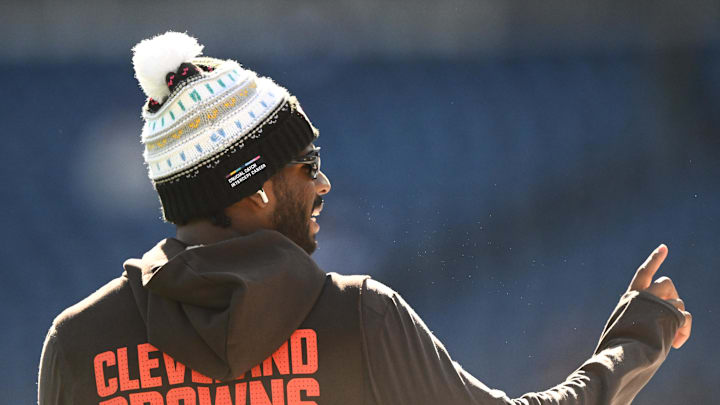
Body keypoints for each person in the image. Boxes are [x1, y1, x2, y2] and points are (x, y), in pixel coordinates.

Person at [38, 32, 691, 405]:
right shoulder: (359, 320)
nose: (322, 181)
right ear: (258, 190)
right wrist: (635, 342)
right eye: (306, 163)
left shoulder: (78, 346)